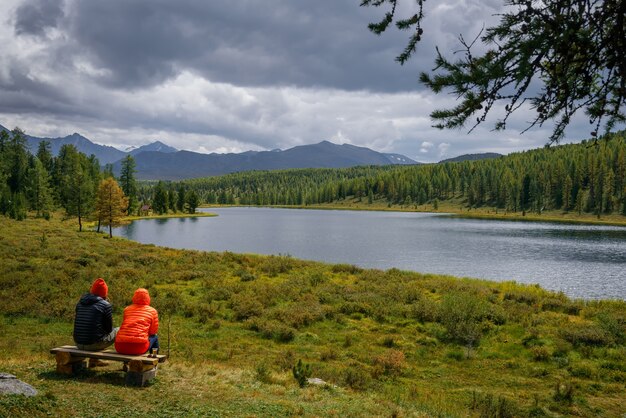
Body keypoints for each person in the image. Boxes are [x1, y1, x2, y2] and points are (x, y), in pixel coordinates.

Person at [73, 278, 119, 366]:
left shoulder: (80, 302)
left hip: (78, 343)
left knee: (96, 332)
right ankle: (126, 359)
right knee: (118, 330)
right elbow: (108, 329)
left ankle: (94, 360)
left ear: (92, 290)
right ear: (105, 292)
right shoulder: (105, 305)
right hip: (94, 344)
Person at [115, 288, 159, 356]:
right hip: (139, 347)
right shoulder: (152, 311)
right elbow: (153, 331)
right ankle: (154, 360)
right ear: (148, 298)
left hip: (120, 346)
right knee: (154, 336)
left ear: (134, 297)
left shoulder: (127, 309)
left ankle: (126, 364)